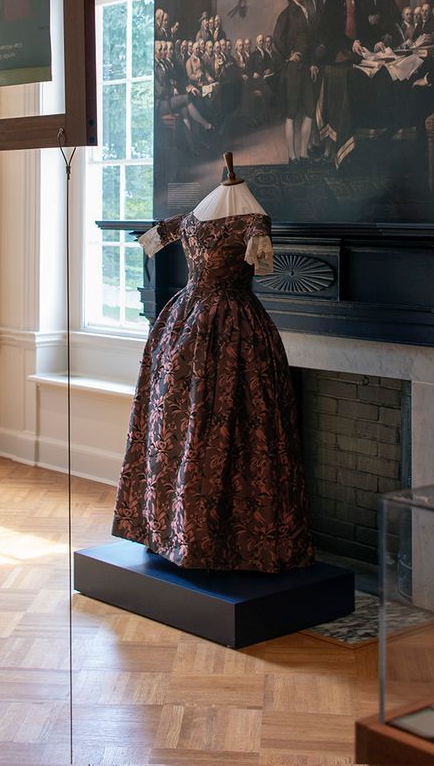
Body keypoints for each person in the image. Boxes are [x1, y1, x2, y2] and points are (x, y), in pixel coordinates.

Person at [115, 165, 313, 572]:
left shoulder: (191, 219)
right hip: (232, 323)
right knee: (225, 422)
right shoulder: (253, 220)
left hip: (185, 321)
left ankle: (177, 530)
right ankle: (204, 536)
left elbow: (150, 241)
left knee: (197, 421)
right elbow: (263, 268)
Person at [272, 0, 316, 163]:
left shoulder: (306, 10)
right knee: (291, 112)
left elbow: (310, 41)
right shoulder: (287, 13)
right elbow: (276, 38)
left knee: (310, 111)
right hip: (292, 69)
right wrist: (288, 55)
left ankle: (304, 153)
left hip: (306, 67)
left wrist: (313, 62)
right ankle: (292, 156)